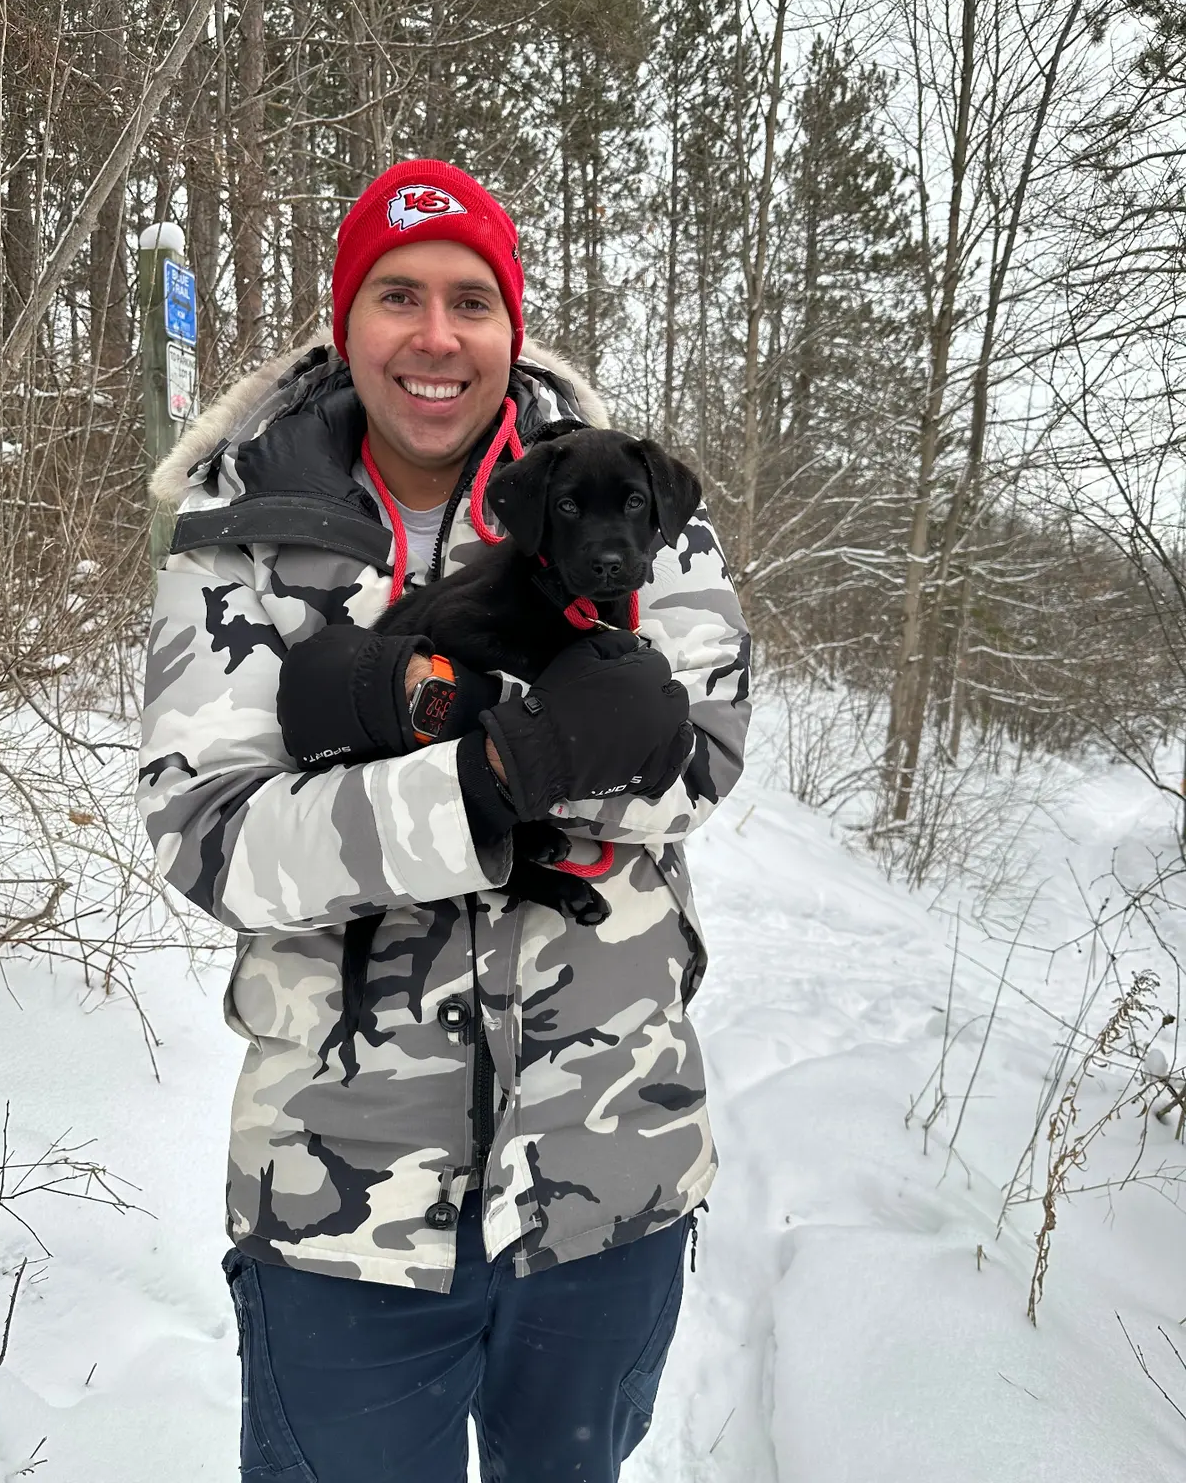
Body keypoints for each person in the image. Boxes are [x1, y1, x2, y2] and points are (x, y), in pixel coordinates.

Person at [137, 158, 750, 1483]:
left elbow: (697, 760)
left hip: (606, 1166)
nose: (434, 335)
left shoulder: (637, 509)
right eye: (396, 296)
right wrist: (482, 780)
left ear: (510, 326)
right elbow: (216, 837)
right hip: (340, 1196)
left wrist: (450, 745)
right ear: (345, 319)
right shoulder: (238, 536)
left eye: (470, 299)